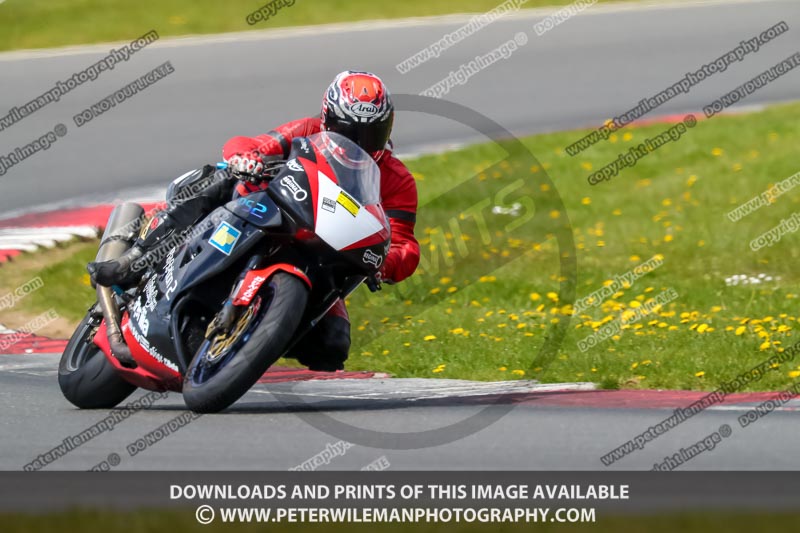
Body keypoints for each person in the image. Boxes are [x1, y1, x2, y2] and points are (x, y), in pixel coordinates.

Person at [88, 70, 420, 371]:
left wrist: (385, 263)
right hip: (260, 212)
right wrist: (247, 158)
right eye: (349, 130)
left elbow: (404, 242)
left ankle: (252, 341)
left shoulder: (397, 179)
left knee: (332, 347)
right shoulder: (307, 131)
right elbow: (254, 144)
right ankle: (135, 258)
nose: (359, 142)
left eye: (371, 133)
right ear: (328, 118)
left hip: (322, 255)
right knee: (218, 178)